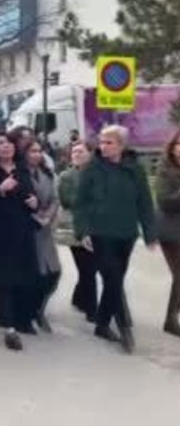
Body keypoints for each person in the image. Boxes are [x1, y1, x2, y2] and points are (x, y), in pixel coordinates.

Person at [75, 125, 156, 353]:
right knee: (112, 278)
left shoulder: (135, 170)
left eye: (109, 142)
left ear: (121, 145)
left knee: (116, 279)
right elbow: (81, 203)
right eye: (101, 142)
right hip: (100, 234)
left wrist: (150, 234)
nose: (103, 146)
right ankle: (124, 328)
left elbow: (145, 203)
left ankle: (101, 323)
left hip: (126, 234)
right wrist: (83, 231)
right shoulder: (92, 168)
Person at [0, 132, 40, 351]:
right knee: (2, 280)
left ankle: (21, 319)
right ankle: (8, 328)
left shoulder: (22, 169)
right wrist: (0, 190)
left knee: (22, 277)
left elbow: (30, 196)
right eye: (0, 143)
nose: (6, 146)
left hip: (22, 230)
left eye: (9, 142)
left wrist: (34, 202)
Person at [24, 139, 61, 333]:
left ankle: (39, 309)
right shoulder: (21, 174)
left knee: (53, 273)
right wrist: (37, 214)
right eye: (32, 151)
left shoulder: (47, 174)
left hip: (45, 228)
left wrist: (47, 216)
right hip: (28, 228)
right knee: (35, 273)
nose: (37, 154)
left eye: (39, 151)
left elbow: (55, 199)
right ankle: (29, 312)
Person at [58, 142, 97, 322]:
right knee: (87, 268)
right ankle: (92, 310)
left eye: (81, 151)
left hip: (97, 227)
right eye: (74, 152)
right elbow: (66, 200)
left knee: (90, 268)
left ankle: (79, 298)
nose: (76, 154)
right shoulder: (66, 176)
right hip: (75, 228)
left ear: (90, 154)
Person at [156, 129, 180, 338]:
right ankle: (171, 320)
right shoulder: (165, 169)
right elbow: (165, 202)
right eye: (179, 144)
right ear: (172, 147)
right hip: (170, 231)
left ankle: (172, 316)